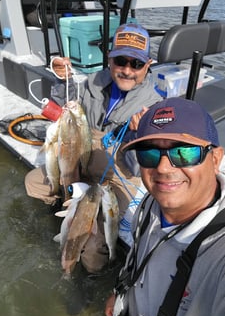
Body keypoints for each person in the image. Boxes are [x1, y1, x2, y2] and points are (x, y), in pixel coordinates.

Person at [105, 97, 225, 316]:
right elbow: (137, 256)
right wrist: (121, 294)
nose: (162, 168)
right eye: (149, 154)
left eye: (184, 152)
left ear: (215, 159)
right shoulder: (151, 202)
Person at [25, 23, 162, 273]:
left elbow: (137, 166)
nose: (127, 70)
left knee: (90, 246)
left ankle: (94, 276)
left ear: (148, 65)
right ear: (109, 59)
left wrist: (135, 134)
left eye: (136, 64)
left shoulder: (153, 107)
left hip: (115, 180)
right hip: (81, 163)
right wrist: (61, 79)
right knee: (33, 182)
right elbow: (67, 113)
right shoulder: (94, 82)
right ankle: (65, 207)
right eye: (120, 60)